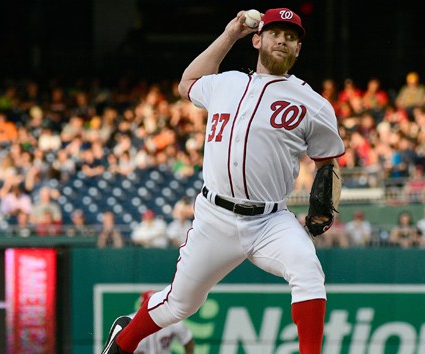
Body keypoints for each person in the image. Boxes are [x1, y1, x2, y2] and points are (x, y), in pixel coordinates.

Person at [101, 8, 345, 354]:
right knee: (179, 305)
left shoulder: (313, 104)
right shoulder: (226, 83)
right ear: (258, 39)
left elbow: (327, 161)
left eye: (291, 37)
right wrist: (230, 34)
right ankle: (124, 341)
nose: (283, 40)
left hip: (269, 220)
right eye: (276, 33)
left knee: (308, 271)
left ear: (298, 50)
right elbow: (186, 84)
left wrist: (325, 200)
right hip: (215, 217)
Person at [128, 290, 195, 354]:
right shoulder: (130, 321)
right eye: (146, 306)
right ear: (141, 307)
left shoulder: (171, 319)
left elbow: (187, 338)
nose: (151, 309)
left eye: (153, 306)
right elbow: (119, 346)